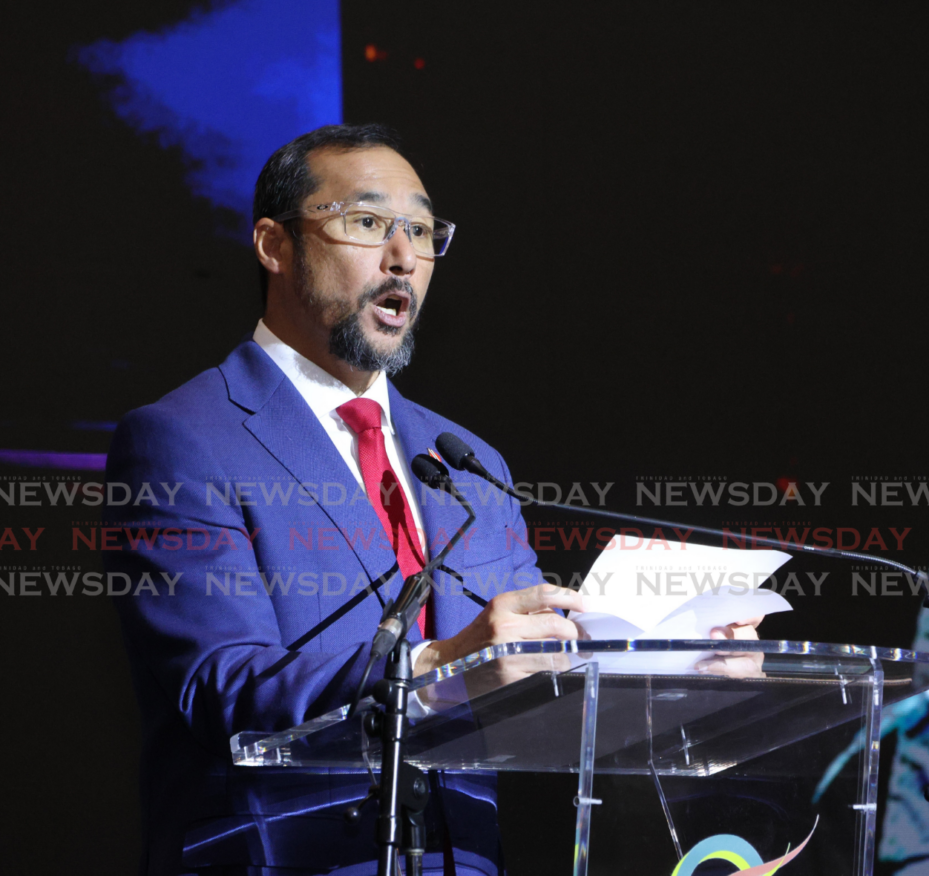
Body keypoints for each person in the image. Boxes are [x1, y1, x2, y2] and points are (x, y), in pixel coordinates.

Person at [105, 123, 761, 876]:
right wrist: (440, 669)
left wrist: (676, 672)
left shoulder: (466, 460)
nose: (404, 257)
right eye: (367, 222)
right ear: (273, 246)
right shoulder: (183, 439)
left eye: (420, 230)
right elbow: (221, 686)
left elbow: (536, 671)